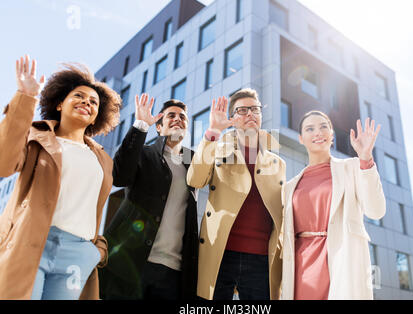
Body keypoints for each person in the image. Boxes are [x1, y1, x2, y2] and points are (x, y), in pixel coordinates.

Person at [0, 55, 121, 300]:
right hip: (32, 243)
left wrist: (96, 251)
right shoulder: (37, 136)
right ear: (59, 104)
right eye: (78, 96)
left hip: (78, 253)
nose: (86, 102)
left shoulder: (102, 159)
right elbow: (4, 164)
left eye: (93, 102)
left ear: (96, 117)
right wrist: (26, 97)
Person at [187, 89, 286, 300]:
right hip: (221, 253)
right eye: (242, 110)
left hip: (262, 259)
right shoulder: (216, 149)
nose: (250, 114)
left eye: (255, 109)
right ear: (232, 118)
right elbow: (194, 180)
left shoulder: (278, 164)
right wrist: (213, 131)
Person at [98, 94, 199, 300]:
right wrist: (141, 125)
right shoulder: (143, 153)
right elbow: (119, 176)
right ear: (159, 128)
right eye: (171, 115)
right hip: (132, 263)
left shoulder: (194, 163)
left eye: (183, 117)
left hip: (174, 272)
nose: (178, 118)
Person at [281, 110, 386, 300]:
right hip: (301, 268)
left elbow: (376, 210)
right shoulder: (289, 187)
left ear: (332, 135)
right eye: (310, 129)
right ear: (301, 139)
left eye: (323, 127)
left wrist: (366, 159)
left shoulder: (354, 168)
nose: (318, 132)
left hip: (342, 260)